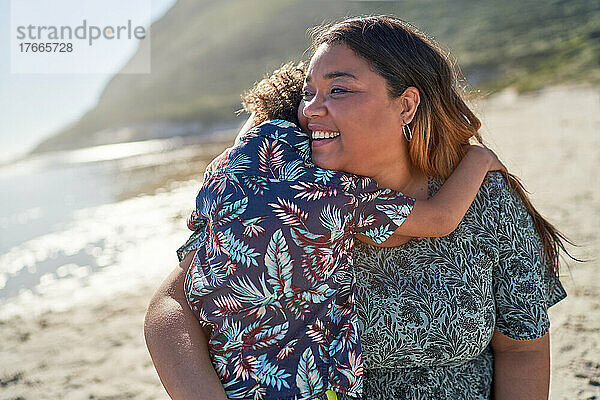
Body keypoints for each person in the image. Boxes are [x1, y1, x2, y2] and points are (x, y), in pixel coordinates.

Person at [145, 15, 568, 399]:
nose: (311, 109)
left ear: (405, 105)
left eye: (339, 89)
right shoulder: (277, 199)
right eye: (309, 93)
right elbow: (173, 305)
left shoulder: (483, 201)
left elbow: (522, 349)